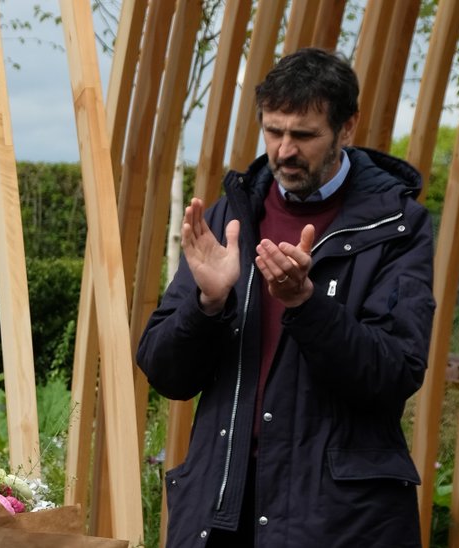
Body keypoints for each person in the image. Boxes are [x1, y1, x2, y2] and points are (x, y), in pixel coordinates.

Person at [136, 47, 435, 547]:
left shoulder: (397, 225)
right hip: (222, 510)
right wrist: (206, 305)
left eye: (303, 135)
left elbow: (395, 372)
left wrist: (306, 304)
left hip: (339, 523)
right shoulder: (229, 217)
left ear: (347, 128)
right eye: (273, 131)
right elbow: (165, 373)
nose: (284, 151)